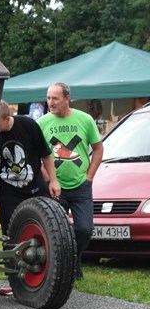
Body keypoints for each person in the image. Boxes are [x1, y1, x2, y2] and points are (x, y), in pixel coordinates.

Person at [38, 82, 103, 279]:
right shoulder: (42, 123)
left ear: (67, 98)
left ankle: (74, 260)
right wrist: (49, 179)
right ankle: (61, 269)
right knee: (57, 232)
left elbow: (98, 149)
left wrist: (89, 177)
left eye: (55, 98)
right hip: (54, 187)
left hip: (81, 185)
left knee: (84, 230)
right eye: (48, 98)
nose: (51, 102)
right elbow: (37, 156)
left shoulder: (85, 119)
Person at [0, 100, 61, 233]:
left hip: (35, 188)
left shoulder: (28, 125)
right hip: (8, 193)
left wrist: (53, 181)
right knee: (11, 234)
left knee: (47, 229)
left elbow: (46, 155)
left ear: (7, 118)